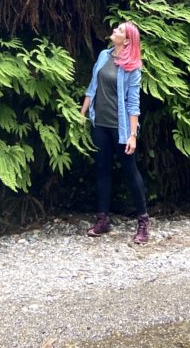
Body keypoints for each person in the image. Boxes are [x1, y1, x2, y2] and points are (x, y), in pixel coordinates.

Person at [80, 21, 150, 245]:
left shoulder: (132, 66)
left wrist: (132, 135)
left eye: (119, 30)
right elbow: (93, 86)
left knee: (130, 171)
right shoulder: (103, 56)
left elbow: (133, 103)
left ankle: (143, 222)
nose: (114, 31)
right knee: (102, 170)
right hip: (99, 123)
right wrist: (81, 114)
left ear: (127, 40)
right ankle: (103, 220)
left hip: (119, 128)